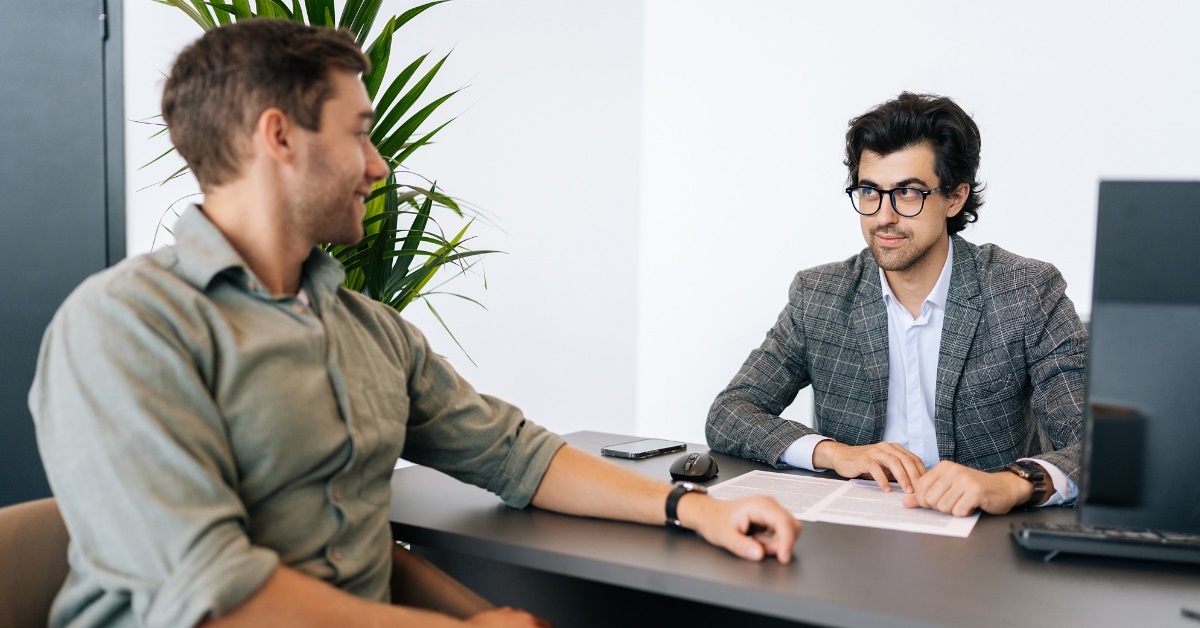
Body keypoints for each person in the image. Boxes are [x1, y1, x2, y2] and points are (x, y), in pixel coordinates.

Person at [29, 19, 799, 628]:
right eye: (359, 131)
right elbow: (215, 598)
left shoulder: (368, 329)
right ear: (279, 137)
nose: (379, 165)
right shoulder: (123, 327)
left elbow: (513, 454)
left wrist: (694, 508)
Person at [706, 92, 1087, 518]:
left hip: (985, 541)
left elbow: (1098, 445)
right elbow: (729, 413)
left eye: (907, 192)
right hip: (855, 537)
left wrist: (1013, 482)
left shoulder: (1025, 291)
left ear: (955, 198)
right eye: (870, 191)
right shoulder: (821, 295)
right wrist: (835, 454)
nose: (883, 216)